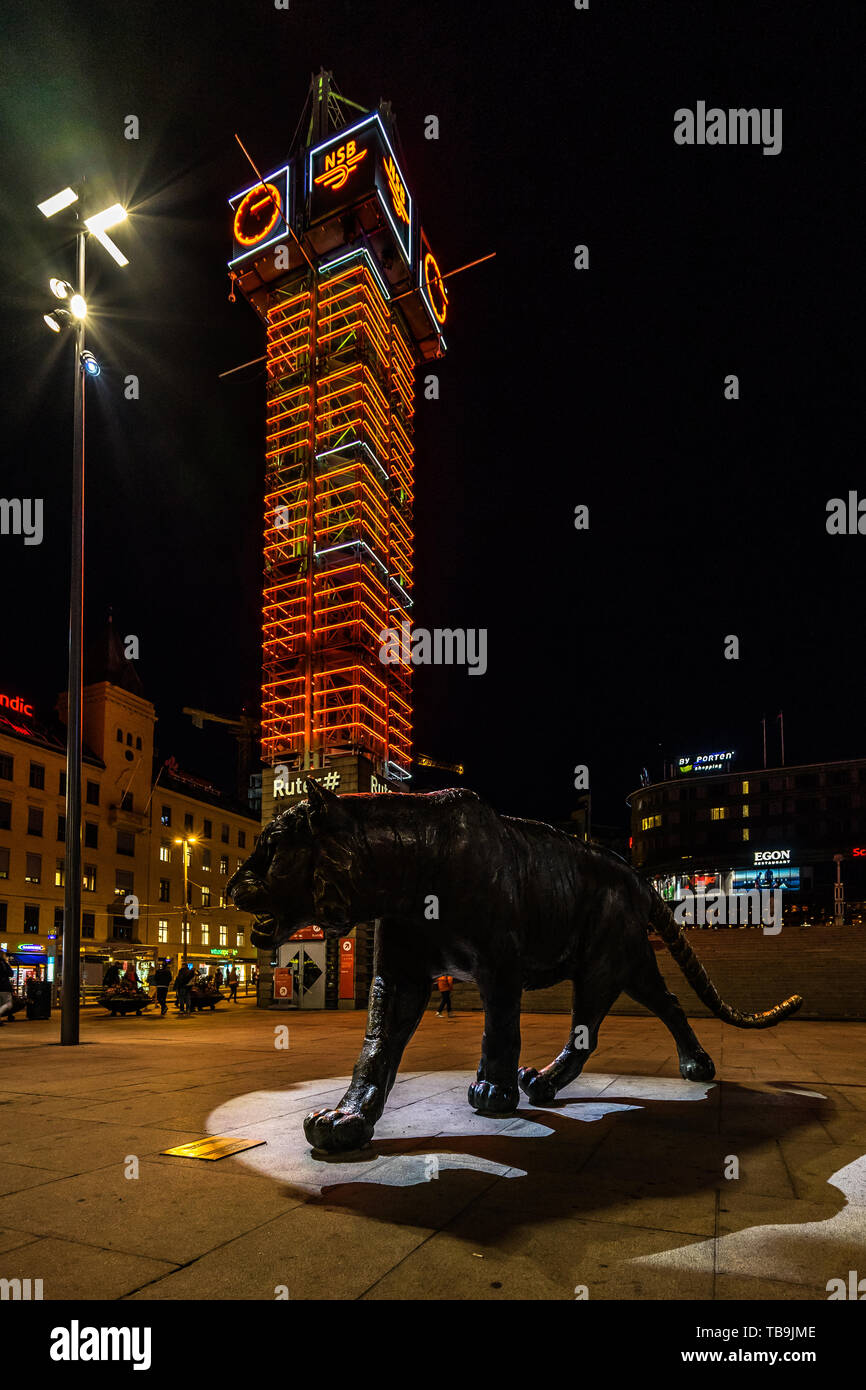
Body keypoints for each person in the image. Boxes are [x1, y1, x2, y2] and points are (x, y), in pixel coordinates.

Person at [0, 948, 15, 1024]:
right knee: (8, 1004)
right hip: (4, 987)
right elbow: (11, 974)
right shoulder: (3, 963)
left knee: (1, 1004)